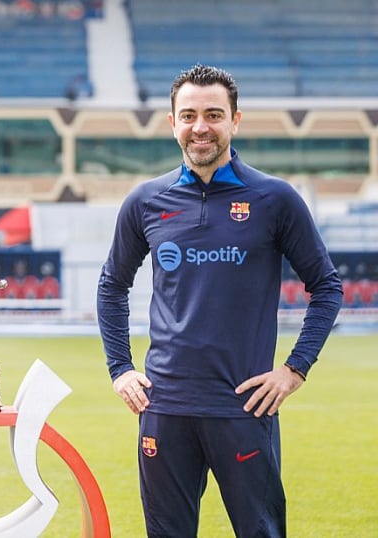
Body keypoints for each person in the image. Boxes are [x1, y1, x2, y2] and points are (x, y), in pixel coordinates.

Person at [97, 64, 342, 537]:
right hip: (165, 407)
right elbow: (112, 286)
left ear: (235, 120)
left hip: (244, 408)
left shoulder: (275, 199)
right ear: (172, 123)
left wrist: (293, 370)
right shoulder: (145, 201)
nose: (200, 127)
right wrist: (120, 368)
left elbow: (327, 287)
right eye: (188, 116)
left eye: (213, 114)